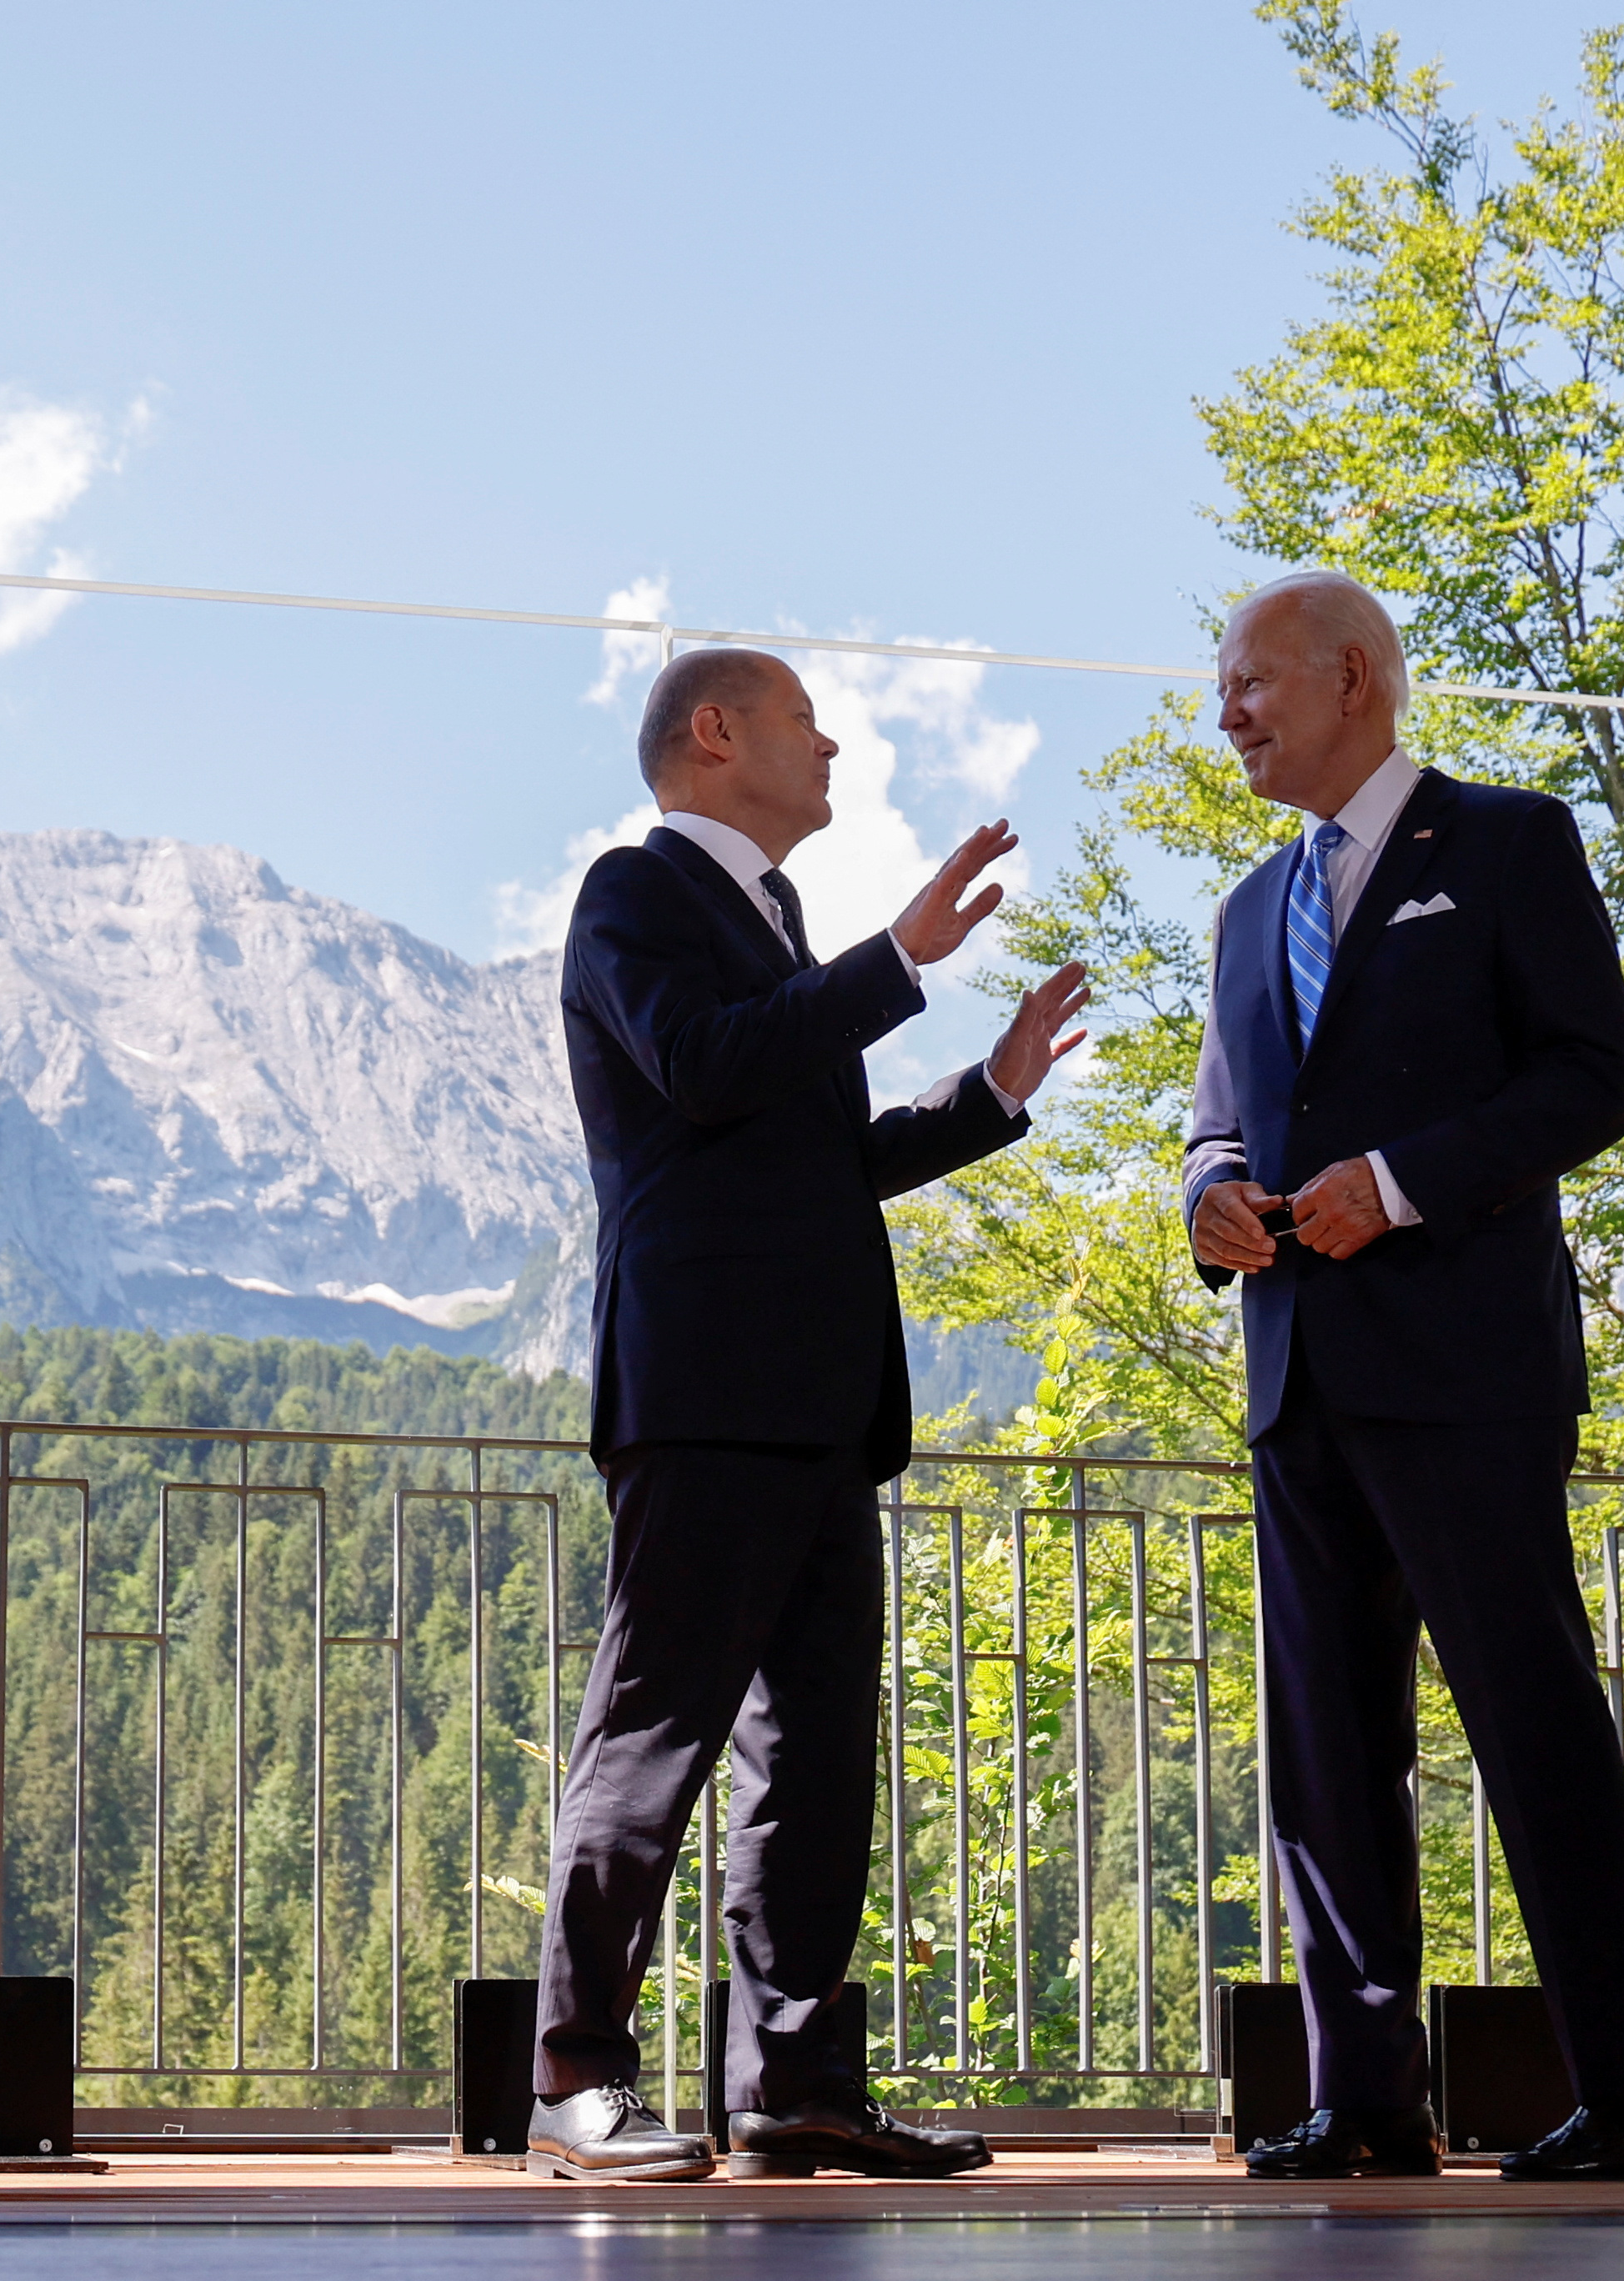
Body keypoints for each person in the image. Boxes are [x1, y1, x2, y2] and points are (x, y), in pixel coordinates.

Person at [527, 646, 1090, 2183]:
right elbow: (705, 1076)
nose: (831, 743)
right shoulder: (632, 897)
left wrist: (989, 1092)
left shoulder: (770, 923)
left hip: (828, 1412)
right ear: (715, 735)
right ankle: (575, 2086)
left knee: (817, 1763)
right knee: (652, 1739)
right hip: (706, 1397)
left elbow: (816, 1163)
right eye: (800, 719)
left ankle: (792, 2088)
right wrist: (894, 961)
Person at [1183, 570, 1624, 2183]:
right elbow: (1221, 1115)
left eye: (1250, 681)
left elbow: (1593, 1076)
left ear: (1356, 678)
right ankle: (1367, 2102)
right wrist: (1207, 1196)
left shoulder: (1510, 843)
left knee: (1534, 1728)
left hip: (1467, 1374)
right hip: (1298, 1390)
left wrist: (1397, 1182)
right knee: (1327, 1760)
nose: (1227, 715)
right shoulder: (1243, 910)